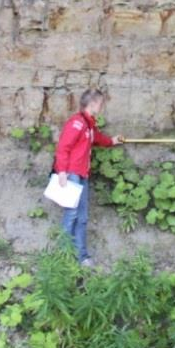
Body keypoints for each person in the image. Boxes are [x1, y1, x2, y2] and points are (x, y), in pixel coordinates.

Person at [51, 89, 124, 266]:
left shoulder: (88, 124)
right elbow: (63, 147)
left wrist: (112, 141)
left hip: (82, 174)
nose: (102, 106)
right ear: (92, 104)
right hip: (71, 174)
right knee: (72, 214)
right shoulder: (76, 123)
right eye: (100, 103)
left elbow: (97, 138)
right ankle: (63, 256)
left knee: (82, 217)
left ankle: (81, 256)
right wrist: (62, 171)